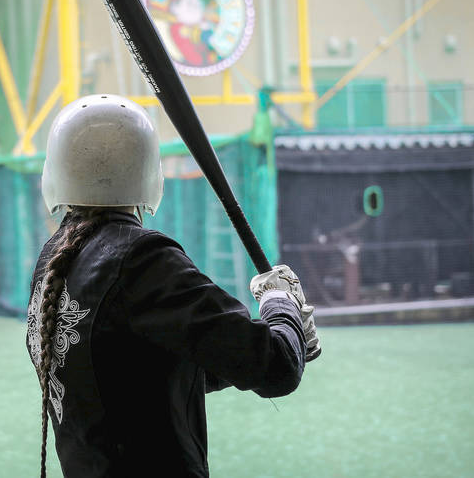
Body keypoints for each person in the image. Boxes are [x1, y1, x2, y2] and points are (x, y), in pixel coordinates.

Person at [26, 94, 320, 478]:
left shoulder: (56, 258)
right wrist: (279, 303)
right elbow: (275, 367)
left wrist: (288, 330)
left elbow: (146, 373)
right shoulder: (140, 258)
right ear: (148, 173)